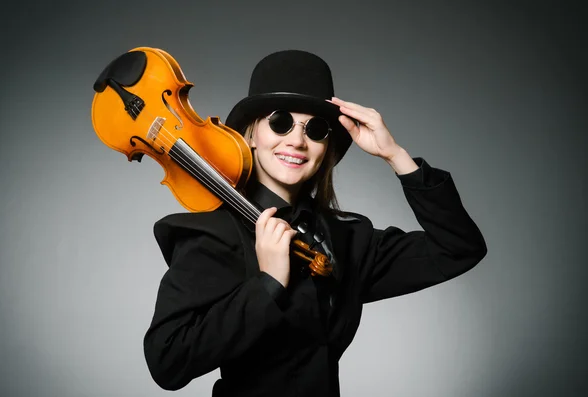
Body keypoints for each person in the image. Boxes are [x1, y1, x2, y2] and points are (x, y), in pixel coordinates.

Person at [143, 50, 487, 396]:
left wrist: (395, 156)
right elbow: (167, 361)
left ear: (327, 148)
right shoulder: (213, 235)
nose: (296, 140)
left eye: (316, 129)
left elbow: (459, 248)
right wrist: (267, 284)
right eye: (280, 122)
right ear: (250, 135)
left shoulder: (348, 241)